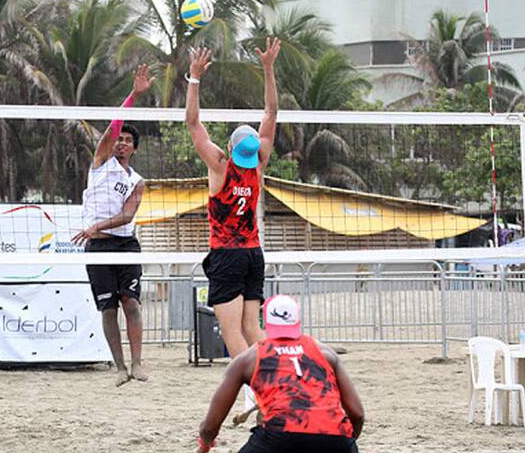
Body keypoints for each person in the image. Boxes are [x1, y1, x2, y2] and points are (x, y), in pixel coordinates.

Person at [185, 38, 281, 414]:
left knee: (230, 332)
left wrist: (194, 79)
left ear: (229, 145)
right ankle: (272, 381)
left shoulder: (221, 166)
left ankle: (258, 389)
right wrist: (269, 69)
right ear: (255, 147)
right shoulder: (258, 165)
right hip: (254, 254)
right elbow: (271, 113)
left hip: (226, 255)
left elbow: (193, 124)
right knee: (252, 328)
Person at [196, 295, 364, 453]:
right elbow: (357, 414)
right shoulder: (326, 353)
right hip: (335, 434)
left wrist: (205, 444)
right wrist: (346, 442)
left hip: (281, 434)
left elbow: (211, 426)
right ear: (298, 321)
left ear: (266, 323)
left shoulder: (248, 359)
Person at [72, 64, 155, 387]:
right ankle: (119, 368)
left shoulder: (137, 181)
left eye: (127, 141)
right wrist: (134, 93)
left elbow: (127, 215)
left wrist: (98, 226)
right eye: (118, 139)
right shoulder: (101, 163)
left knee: (131, 303)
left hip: (123, 243)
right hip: (98, 247)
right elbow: (112, 126)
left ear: (134, 148)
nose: (120, 142)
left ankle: (137, 363)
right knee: (107, 309)